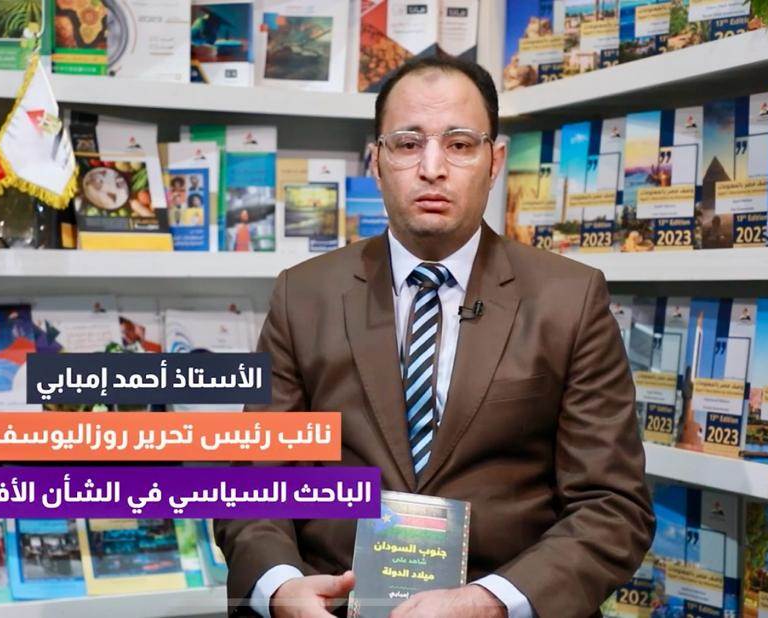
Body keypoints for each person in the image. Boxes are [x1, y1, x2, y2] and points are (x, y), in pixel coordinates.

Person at [215, 56, 654, 618]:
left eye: (460, 144)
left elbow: (613, 506)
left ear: (495, 162)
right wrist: (281, 589)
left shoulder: (570, 299)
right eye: (407, 144)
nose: (432, 168)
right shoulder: (303, 296)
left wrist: (490, 602)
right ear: (376, 162)